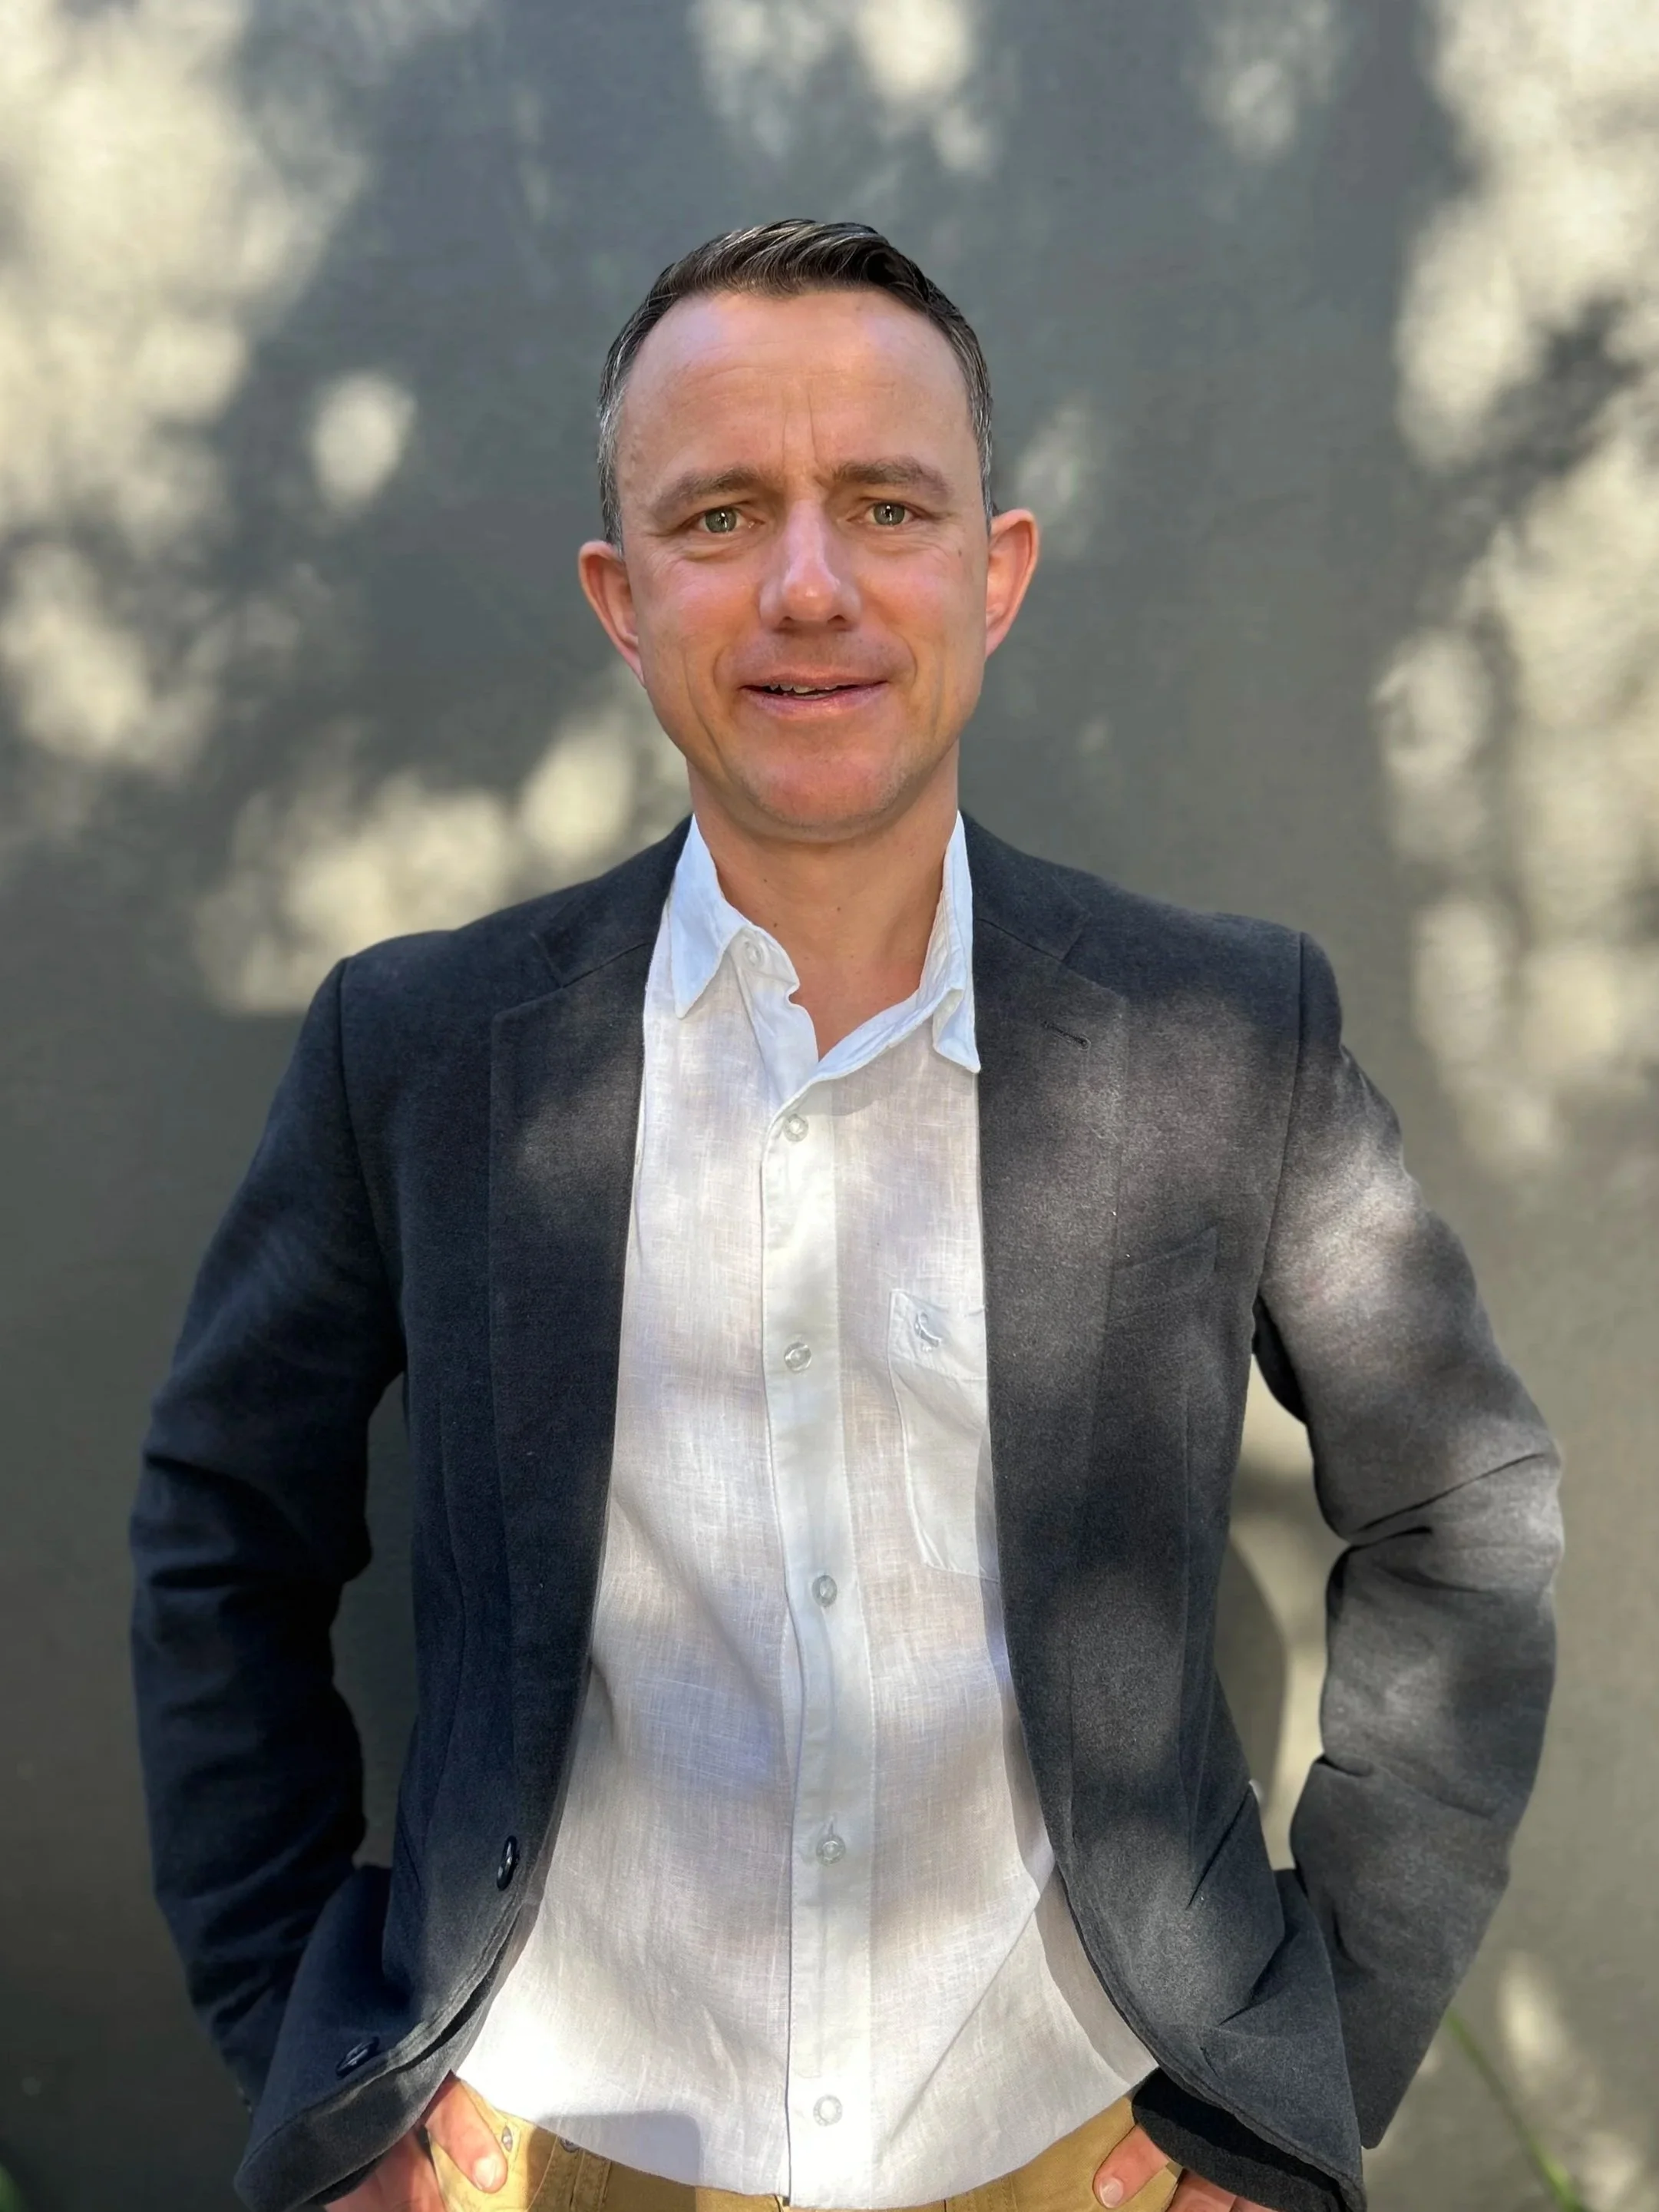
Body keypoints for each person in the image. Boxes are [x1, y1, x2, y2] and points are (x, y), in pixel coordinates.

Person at [131, 221, 1562, 2212]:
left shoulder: (1231, 1033)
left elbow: (1462, 1512)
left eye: (886, 504)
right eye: (723, 514)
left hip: (1082, 2151)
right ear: (623, 600)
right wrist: (316, 2049)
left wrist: (1314, 2062)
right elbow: (223, 1529)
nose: (810, 585)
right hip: (545, 2153)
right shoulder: (425, 1052)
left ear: (995, 572)